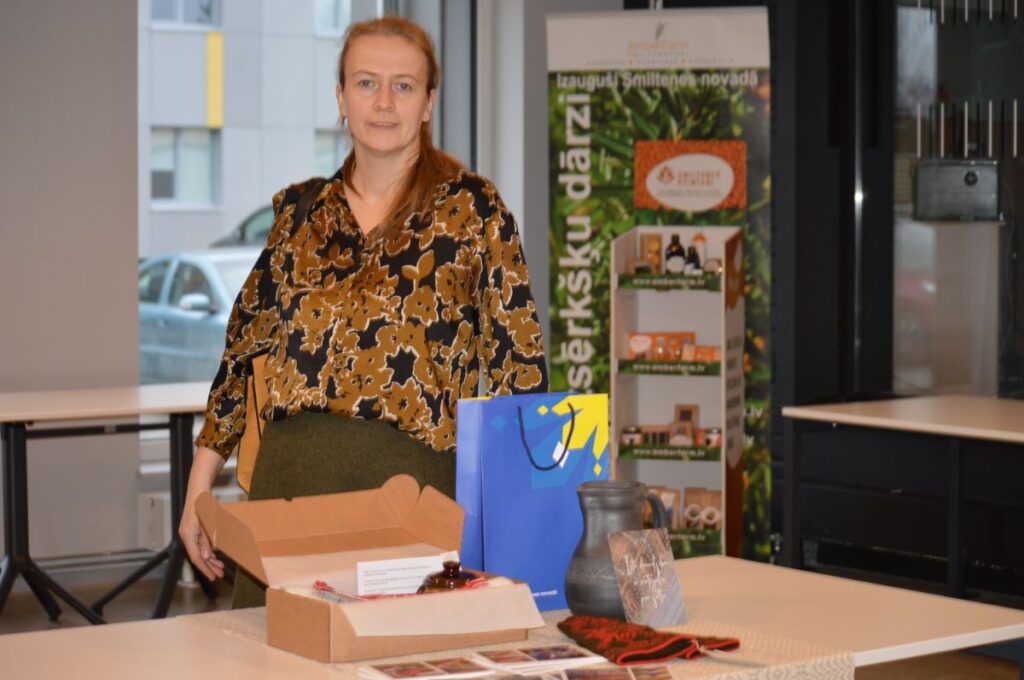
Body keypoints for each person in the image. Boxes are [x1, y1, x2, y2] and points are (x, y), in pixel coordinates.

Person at [178, 15, 548, 607]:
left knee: (401, 651)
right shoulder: (300, 215)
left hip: (412, 495)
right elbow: (241, 353)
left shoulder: (473, 212)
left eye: (403, 85)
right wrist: (199, 491)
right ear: (341, 97)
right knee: (273, 652)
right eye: (366, 83)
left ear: (428, 103)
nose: (383, 102)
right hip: (291, 489)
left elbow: (518, 372)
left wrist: (512, 520)